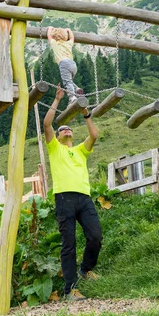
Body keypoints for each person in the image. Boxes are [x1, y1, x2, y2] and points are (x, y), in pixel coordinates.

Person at [43, 85, 102, 301]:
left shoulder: (80, 151)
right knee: (69, 244)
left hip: (84, 199)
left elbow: (94, 134)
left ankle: (85, 270)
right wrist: (57, 100)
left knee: (95, 236)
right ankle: (70, 289)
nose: (66, 129)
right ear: (57, 137)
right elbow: (47, 123)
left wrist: (85, 112)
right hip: (64, 198)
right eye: (63, 129)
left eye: (69, 128)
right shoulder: (55, 149)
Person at [47, 27, 81, 102]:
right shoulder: (68, 43)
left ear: (54, 37)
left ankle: (72, 97)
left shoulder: (55, 43)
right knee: (69, 80)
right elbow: (72, 38)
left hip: (63, 64)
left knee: (67, 82)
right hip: (73, 64)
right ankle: (77, 89)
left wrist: (49, 29)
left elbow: (49, 36)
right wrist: (69, 30)